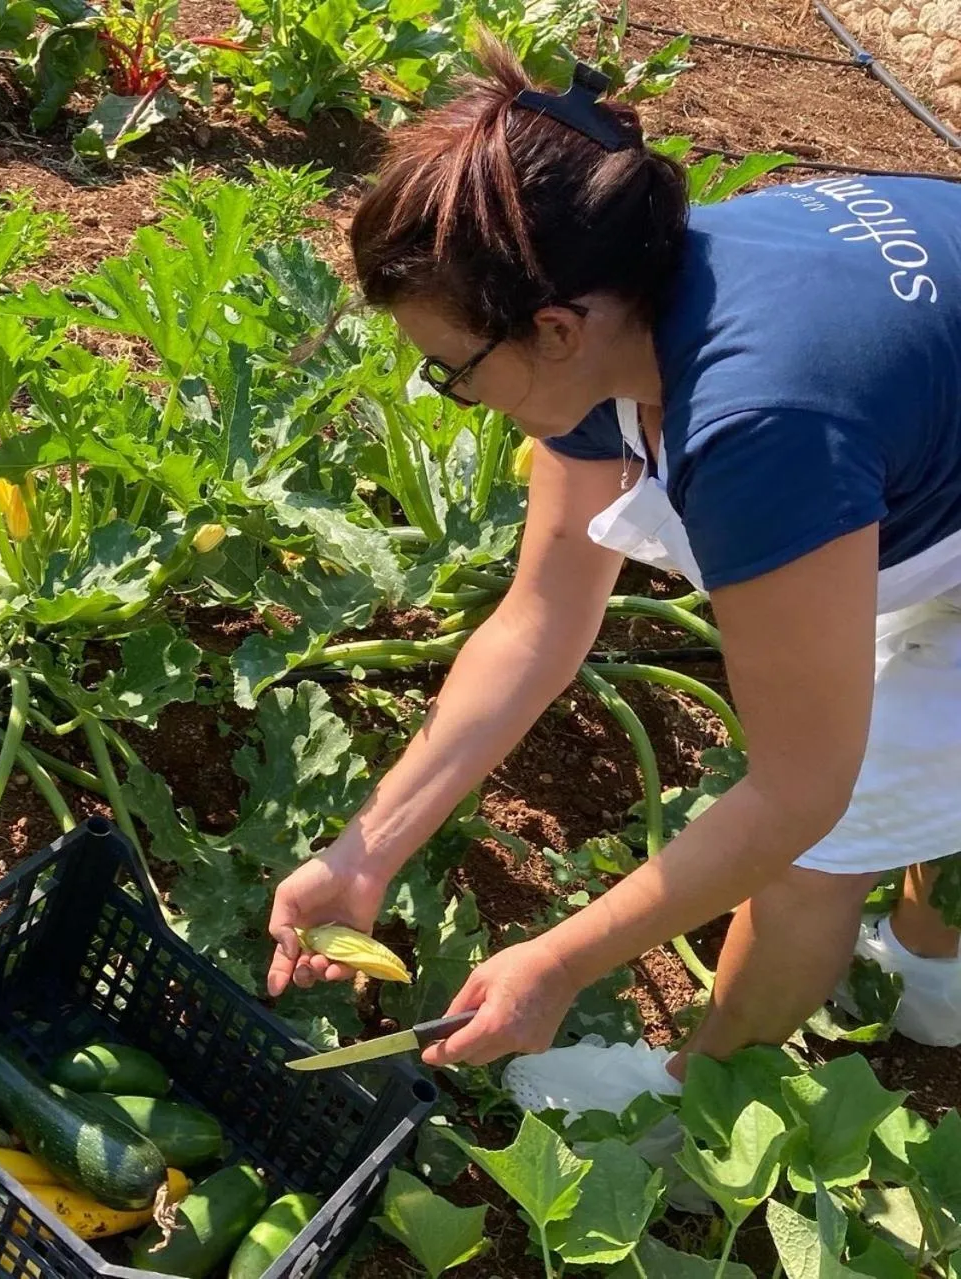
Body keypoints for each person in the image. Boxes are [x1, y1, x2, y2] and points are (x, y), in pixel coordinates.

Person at [264, 39, 961, 1118]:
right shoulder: (612, 300)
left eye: (450, 370)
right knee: (902, 745)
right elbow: (542, 616)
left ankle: (692, 1125)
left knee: (822, 843)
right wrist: (366, 850)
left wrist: (557, 963)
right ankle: (935, 979)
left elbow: (796, 794)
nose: (450, 391)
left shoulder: (759, 428)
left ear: (550, 331)